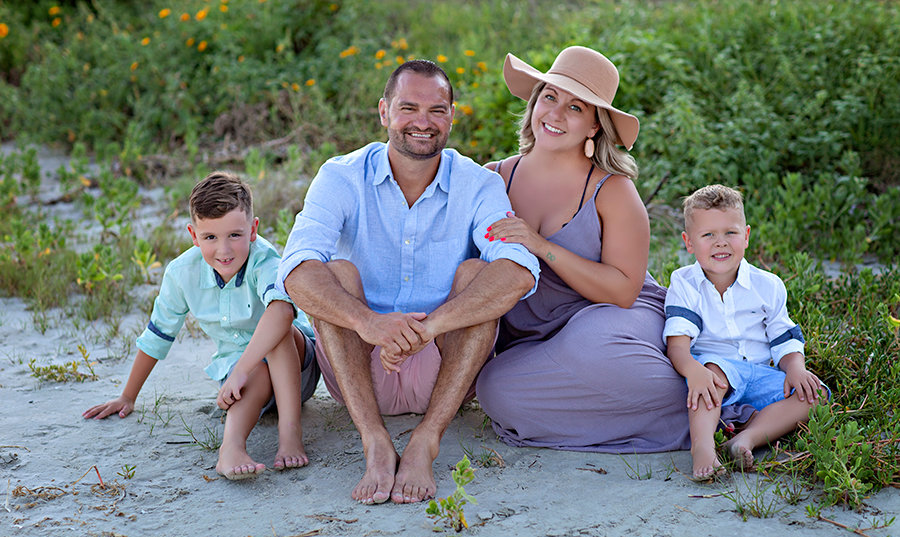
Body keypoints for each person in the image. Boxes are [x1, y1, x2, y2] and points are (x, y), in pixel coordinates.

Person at [277, 60, 540, 505]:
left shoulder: (478, 184)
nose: (423, 122)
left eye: (437, 110)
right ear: (384, 112)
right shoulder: (341, 176)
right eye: (408, 108)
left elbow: (517, 270)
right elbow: (296, 269)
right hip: (358, 365)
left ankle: (427, 439)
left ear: (452, 115)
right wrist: (370, 324)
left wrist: (429, 327)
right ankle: (375, 441)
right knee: (336, 273)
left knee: (478, 275)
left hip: (446, 367)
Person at [475, 46, 693, 453]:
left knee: (589, 345)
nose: (555, 115)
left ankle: (715, 397)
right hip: (532, 339)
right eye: (549, 97)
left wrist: (540, 246)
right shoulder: (493, 177)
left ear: (594, 126)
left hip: (613, 321)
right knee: (494, 389)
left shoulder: (613, 190)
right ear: (534, 102)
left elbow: (623, 291)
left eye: (575, 108)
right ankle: (662, 414)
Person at [83, 172, 320, 480]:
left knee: (276, 328)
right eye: (210, 238)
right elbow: (158, 334)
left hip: (296, 370)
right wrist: (128, 396)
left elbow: (282, 313)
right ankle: (231, 449)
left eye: (234, 235)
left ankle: (290, 433)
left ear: (253, 229)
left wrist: (241, 370)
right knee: (255, 371)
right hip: (244, 380)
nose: (224, 250)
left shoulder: (265, 260)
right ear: (193, 235)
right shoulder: (182, 273)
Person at [664, 184, 828, 479]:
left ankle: (745, 439)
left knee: (815, 396)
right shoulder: (684, 283)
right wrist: (693, 371)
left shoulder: (769, 284)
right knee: (713, 371)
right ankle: (702, 449)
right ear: (689, 242)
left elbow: (783, 337)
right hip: (715, 374)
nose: (721, 243)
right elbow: (677, 345)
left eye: (730, 233)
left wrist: (796, 368)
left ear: (747, 236)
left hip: (759, 373)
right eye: (708, 235)